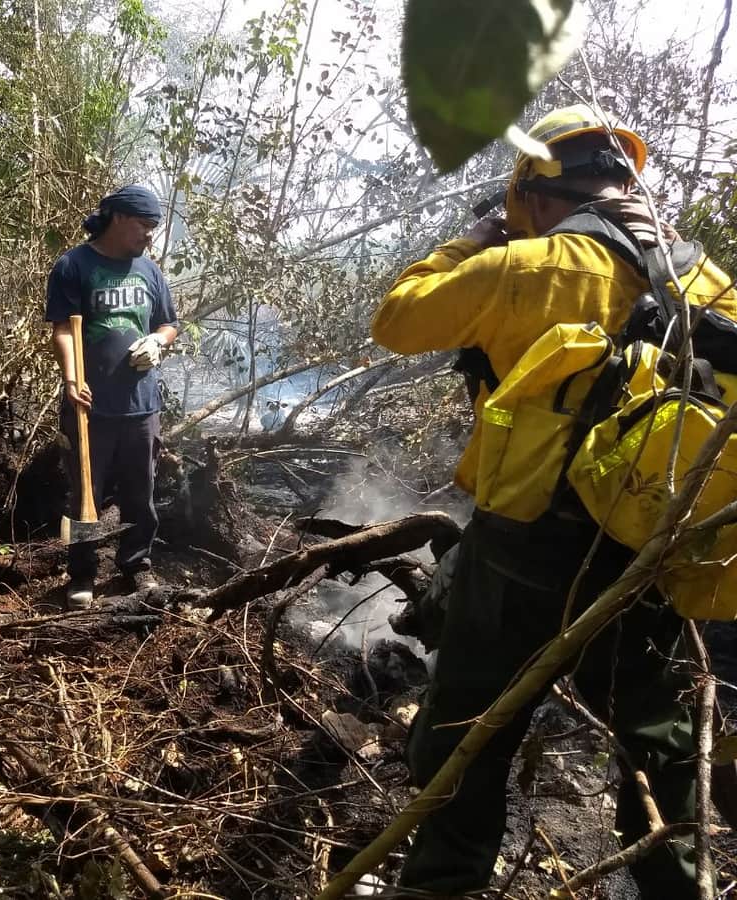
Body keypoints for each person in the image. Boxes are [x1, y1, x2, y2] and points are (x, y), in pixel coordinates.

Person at [370, 104, 737, 897]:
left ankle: (445, 885)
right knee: (657, 743)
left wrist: (475, 239)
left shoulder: (529, 263)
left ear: (534, 191)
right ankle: (681, 880)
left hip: (525, 551)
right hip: (651, 551)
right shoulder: (706, 282)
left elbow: (397, 316)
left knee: (468, 726)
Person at [45, 185, 179, 608]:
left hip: (141, 406)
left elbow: (169, 324)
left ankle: (137, 565)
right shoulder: (74, 265)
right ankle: (81, 573)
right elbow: (63, 328)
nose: (148, 235)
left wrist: (158, 342)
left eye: (152, 228)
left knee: (141, 490)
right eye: (143, 225)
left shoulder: (150, 272)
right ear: (119, 218)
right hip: (89, 406)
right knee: (84, 493)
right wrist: (71, 380)